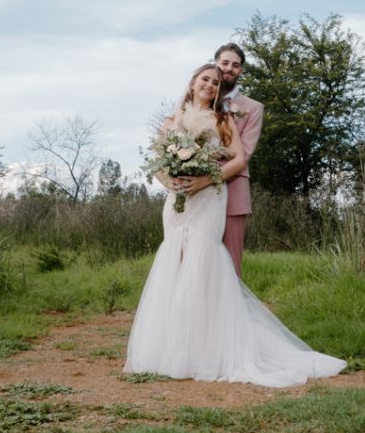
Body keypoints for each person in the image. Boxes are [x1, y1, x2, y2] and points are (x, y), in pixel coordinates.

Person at [124, 63, 345, 386]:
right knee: (175, 260)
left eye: (215, 83)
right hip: (178, 201)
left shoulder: (223, 119)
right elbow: (158, 162)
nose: (210, 86)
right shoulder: (172, 121)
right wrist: (171, 184)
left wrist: (203, 180)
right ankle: (169, 349)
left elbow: (239, 160)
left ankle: (205, 350)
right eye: (205, 80)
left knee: (203, 262)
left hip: (210, 196)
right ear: (193, 82)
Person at [215, 41, 263, 277]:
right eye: (225, 63)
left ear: (240, 71)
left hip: (234, 188)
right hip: (197, 193)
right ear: (216, 64)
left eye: (235, 65)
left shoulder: (253, 108)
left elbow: (243, 153)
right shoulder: (201, 100)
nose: (229, 68)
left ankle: (229, 313)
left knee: (231, 262)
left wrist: (209, 176)